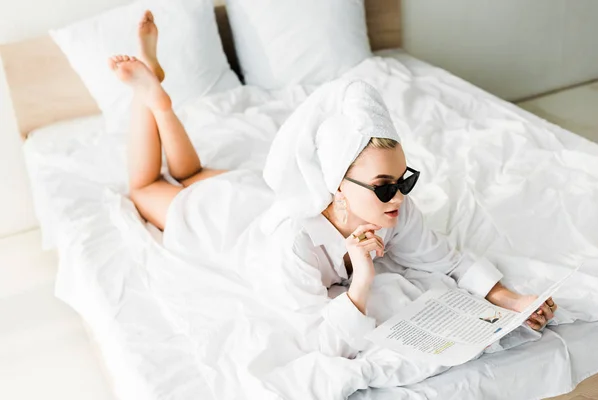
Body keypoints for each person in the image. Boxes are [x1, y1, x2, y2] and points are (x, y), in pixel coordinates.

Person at [110, 10, 558, 361]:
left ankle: (159, 97)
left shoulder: (393, 209)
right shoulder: (295, 245)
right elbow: (318, 335)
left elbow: (449, 260)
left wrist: (512, 299)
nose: (398, 196)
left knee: (189, 173)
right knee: (145, 184)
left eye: (404, 181)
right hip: (225, 224)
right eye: (384, 186)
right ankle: (150, 96)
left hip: (253, 196)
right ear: (337, 187)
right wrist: (362, 279)